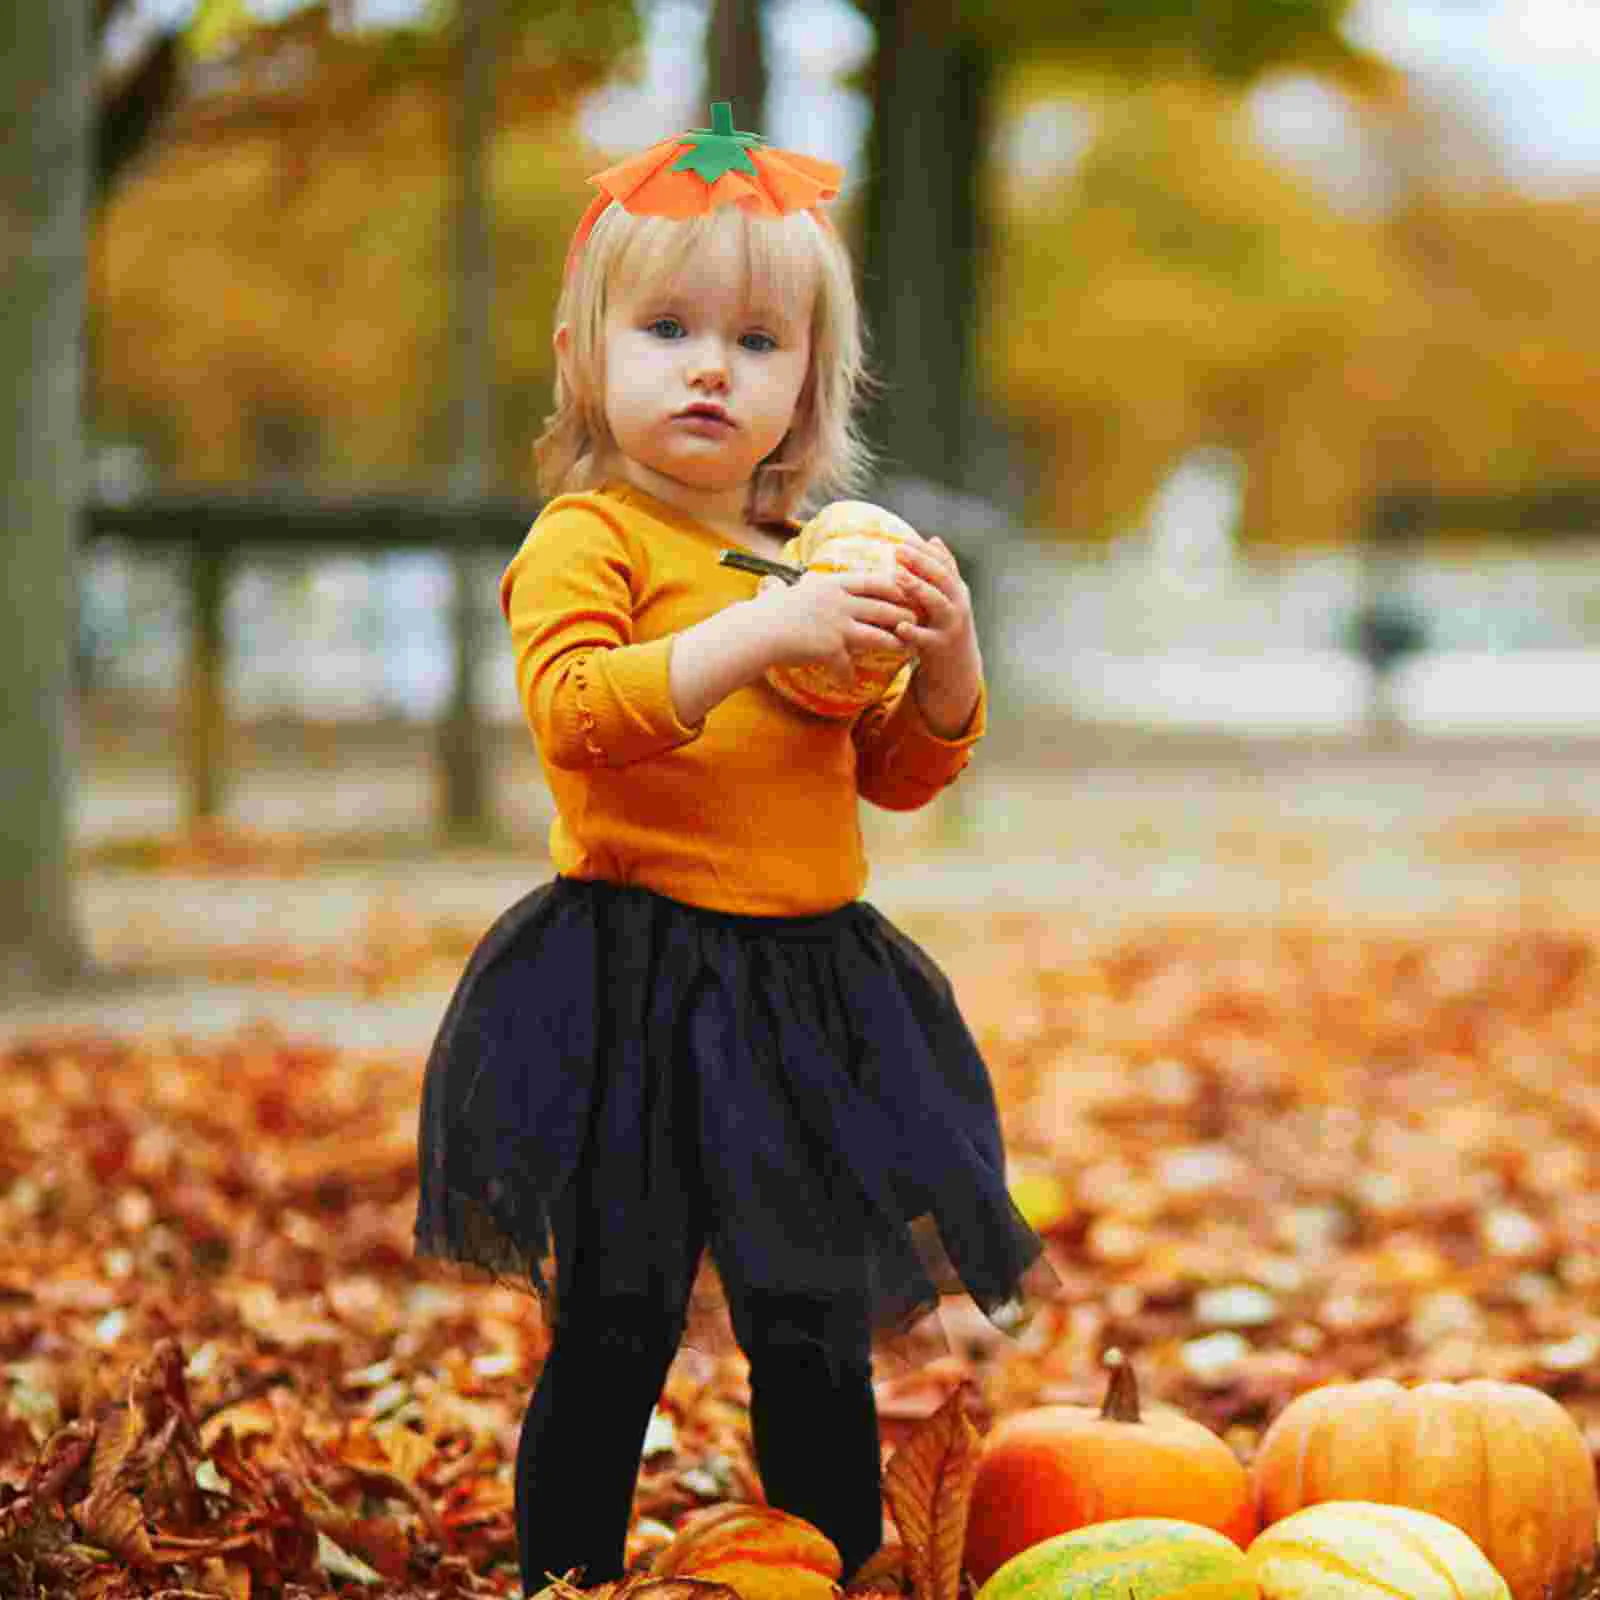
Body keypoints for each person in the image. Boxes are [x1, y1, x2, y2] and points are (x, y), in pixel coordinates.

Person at [413, 102, 1058, 1597]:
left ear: (808, 388)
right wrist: (757, 631)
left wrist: (946, 660)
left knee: (809, 1315)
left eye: (759, 343)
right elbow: (580, 713)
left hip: (809, 992)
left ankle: (826, 1561)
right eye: (669, 327)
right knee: (621, 1311)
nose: (712, 364)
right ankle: (562, 1570)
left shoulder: (820, 555)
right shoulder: (596, 538)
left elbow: (890, 776)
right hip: (637, 980)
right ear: (590, 357)